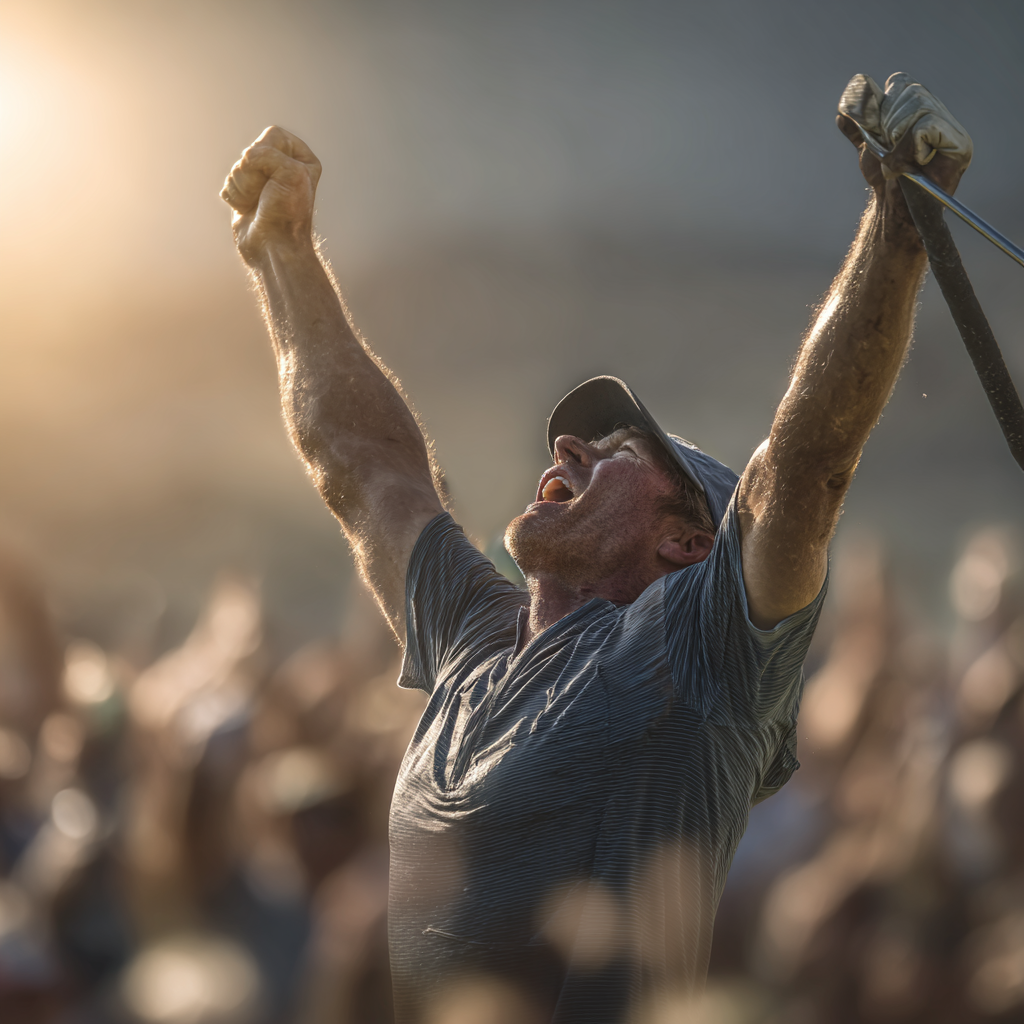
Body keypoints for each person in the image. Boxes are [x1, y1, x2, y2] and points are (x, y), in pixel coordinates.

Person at [220, 72, 972, 1023]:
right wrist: (282, 258)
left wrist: (897, 223)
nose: (566, 448)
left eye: (618, 451)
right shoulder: (475, 641)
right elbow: (364, 464)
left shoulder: (694, 661)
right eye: (578, 441)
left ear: (687, 541)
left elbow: (808, 461)